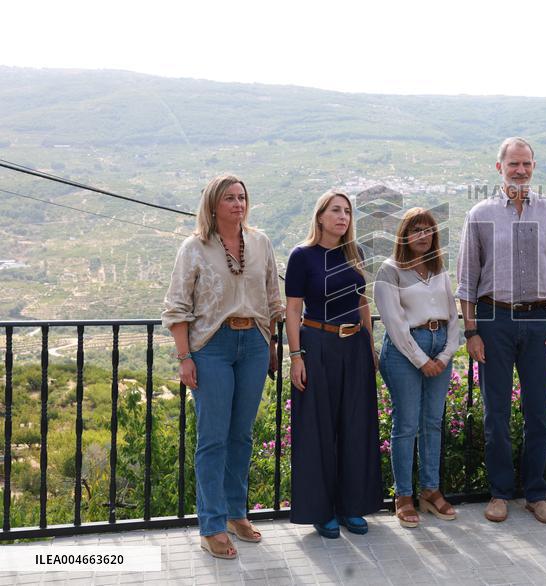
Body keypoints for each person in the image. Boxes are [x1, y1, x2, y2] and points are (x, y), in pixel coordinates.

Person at [163, 174, 283, 559]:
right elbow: (177, 306)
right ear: (213, 205)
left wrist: (272, 343)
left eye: (242, 197)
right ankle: (211, 524)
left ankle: (236, 513)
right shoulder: (194, 247)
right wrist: (185, 358)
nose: (238, 204)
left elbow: (272, 297)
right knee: (213, 437)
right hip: (211, 346)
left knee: (241, 435)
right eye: (229, 198)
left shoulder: (261, 243)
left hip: (255, 344)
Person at [456, 136, 546, 525]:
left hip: (539, 320)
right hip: (494, 320)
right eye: (512, 165)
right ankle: (500, 492)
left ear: (534, 167)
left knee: (539, 410)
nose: (520, 171)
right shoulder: (480, 213)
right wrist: (471, 331)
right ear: (499, 168)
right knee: (497, 413)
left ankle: (536, 494)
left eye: (526, 164)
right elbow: (467, 278)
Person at [285, 189, 382, 538]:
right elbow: (293, 310)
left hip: (355, 345)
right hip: (318, 344)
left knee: (356, 427)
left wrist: (370, 347)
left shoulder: (355, 254)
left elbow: (362, 303)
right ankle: (320, 510)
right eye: (335, 210)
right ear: (320, 216)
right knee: (318, 429)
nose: (343, 217)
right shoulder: (302, 256)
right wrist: (296, 357)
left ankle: (351, 506)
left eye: (347, 212)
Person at [374, 208, 461, 528]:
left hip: (440, 348)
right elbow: (394, 324)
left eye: (428, 230)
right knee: (407, 424)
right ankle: (404, 496)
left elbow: (453, 315)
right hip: (404, 352)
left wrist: (447, 353)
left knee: (433, 423)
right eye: (416, 230)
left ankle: (430, 490)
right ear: (405, 235)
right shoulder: (390, 270)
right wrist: (422, 360)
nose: (423, 236)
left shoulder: (438, 269)